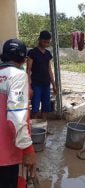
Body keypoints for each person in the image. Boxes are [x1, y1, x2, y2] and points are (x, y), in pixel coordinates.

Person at [0, 39, 36, 187]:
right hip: (6, 154)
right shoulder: (17, 75)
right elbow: (16, 116)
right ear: (23, 58)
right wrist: (28, 150)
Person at [27, 30, 56, 120]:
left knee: (46, 107)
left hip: (46, 84)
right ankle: (34, 130)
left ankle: (44, 128)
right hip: (36, 84)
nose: (46, 44)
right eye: (44, 42)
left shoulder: (47, 54)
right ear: (39, 40)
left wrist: (54, 85)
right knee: (35, 108)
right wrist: (29, 86)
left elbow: (49, 70)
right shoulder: (32, 53)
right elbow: (28, 70)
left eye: (48, 42)